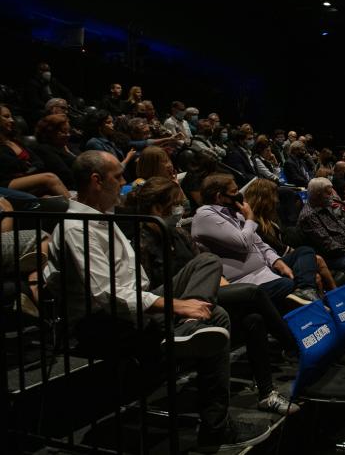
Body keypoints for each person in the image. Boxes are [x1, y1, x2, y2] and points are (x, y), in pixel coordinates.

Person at [46, 151, 271, 449]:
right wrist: (175, 305)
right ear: (96, 181)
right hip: (105, 322)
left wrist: (179, 304)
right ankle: (216, 430)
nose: (124, 182)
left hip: (139, 304)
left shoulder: (103, 217)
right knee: (217, 317)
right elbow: (106, 294)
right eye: (118, 177)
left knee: (206, 261)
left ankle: (189, 326)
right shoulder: (78, 227)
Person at [128, 176, 298, 415]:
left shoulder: (179, 235)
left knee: (254, 318)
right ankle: (294, 347)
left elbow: (208, 271)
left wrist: (227, 289)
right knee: (254, 294)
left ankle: (267, 393)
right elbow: (146, 292)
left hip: (204, 299)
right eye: (177, 204)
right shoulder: (141, 244)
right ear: (158, 208)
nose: (182, 209)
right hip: (172, 310)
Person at [191, 174, 316, 310]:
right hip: (246, 280)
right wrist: (250, 218)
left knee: (304, 251)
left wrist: (277, 261)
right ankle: (301, 296)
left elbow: (260, 244)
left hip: (266, 269)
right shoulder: (205, 216)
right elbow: (243, 243)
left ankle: (305, 291)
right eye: (234, 192)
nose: (239, 194)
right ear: (219, 197)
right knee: (287, 284)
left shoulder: (235, 214)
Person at [244, 177, 337, 295]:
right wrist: (294, 253)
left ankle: (335, 295)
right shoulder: (251, 222)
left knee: (317, 258)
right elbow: (273, 248)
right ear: (263, 198)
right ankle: (320, 303)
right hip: (269, 264)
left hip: (281, 256)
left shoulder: (269, 218)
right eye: (274, 195)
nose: (276, 200)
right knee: (315, 275)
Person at [0, 104, 71, 197]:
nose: (12, 120)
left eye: (11, 117)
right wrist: (25, 166)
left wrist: (27, 167)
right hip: (5, 183)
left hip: (26, 177)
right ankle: (79, 210)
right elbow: (9, 166)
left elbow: (38, 162)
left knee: (49, 197)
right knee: (49, 178)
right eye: (6, 117)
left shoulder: (16, 141)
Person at [33, 114, 77, 190]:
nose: (68, 135)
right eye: (63, 131)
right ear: (50, 132)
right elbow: (65, 174)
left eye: (68, 131)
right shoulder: (44, 149)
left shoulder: (68, 145)